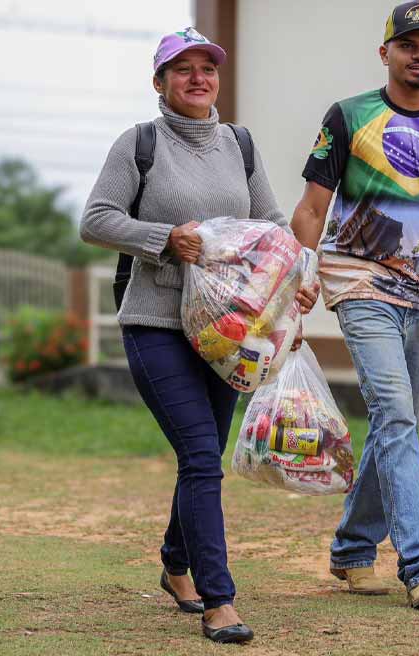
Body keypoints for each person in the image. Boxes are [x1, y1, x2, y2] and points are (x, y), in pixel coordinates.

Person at [80, 26, 289, 645]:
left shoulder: (240, 144)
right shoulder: (138, 144)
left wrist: (294, 275)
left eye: (208, 68)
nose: (198, 78)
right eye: (182, 69)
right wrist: (164, 238)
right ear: (160, 82)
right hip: (156, 321)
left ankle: (176, 565)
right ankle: (220, 599)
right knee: (201, 456)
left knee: (203, 456)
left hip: (230, 332)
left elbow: (271, 223)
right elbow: (96, 219)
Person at [290, 2, 419, 610]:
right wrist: (293, 288)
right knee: (398, 415)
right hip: (359, 282)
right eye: (409, 45)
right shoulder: (350, 116)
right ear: (386, 53)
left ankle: (353, 549)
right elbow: (310, 209)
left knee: (393, 422)